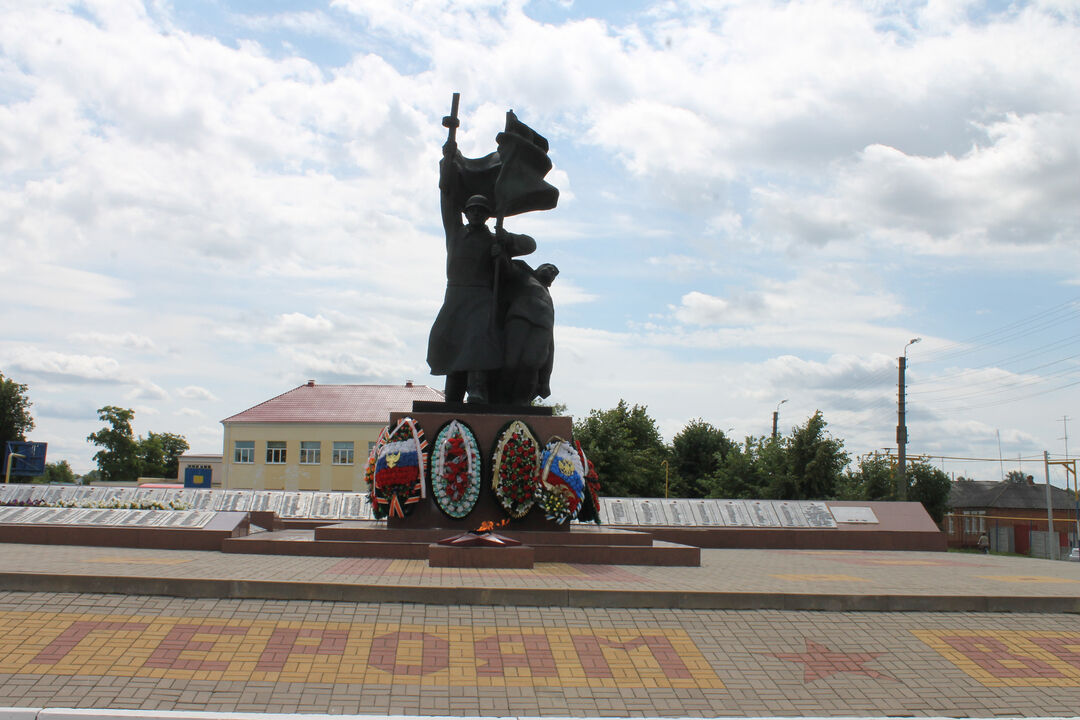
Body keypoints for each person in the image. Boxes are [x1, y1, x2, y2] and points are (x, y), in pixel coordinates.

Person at [426, 140, 536, 403]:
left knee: (478, 342)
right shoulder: (455, 233)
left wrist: (505, 246)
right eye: (471, 210)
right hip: (455, 295)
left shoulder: (493, 239)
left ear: (487, 215)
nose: (475, 215)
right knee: (451, 340)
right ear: (466, 213)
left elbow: (529, 245)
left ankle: (477, 389)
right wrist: (448, 159)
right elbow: (447, 195)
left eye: (480, 211)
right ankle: (452, 392)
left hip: (481, 297)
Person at [498, 260, 558, 405]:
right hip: (520, 319)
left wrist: (545, 380)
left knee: (532, 364)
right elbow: (504, 265)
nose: (551, 271)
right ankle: (501, 399)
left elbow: (551, 335)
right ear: (538, 268)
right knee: (510, 363)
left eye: (554, 273)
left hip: (543, 328)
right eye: (548, 267)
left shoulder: (548, 296)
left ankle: (522, 401)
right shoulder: (524, 276)